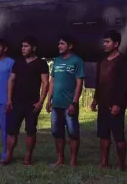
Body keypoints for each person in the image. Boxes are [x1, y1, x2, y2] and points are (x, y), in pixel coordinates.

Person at [0, 36, 49, 166]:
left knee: (31, 131)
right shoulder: (18, 62)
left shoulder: (41, 63)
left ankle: (28, 157)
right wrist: (9, 99)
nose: (23, 49)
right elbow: (11, 80)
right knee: (11, 131)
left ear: (34, 48)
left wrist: (41, 102)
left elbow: (45, 83)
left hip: (32, 104)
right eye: (22, 46)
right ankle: (8, 156)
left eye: (26, 46)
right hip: (16, 102)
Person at [91, 30, 127, 171]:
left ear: (116, 44)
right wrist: (95, 99)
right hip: (102, 103)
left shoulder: (122, 61)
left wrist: (117, 104)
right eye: (104, 42)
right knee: (103, 134)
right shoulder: (102, 61)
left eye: (108, 42)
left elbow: (123, 85)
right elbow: (99, 82)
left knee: (118, 136)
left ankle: (121, 164)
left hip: (116, 105)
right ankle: (104, 162)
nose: (105, 44)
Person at [46, 35, 85, 167]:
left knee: (73, 133)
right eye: (59, 44)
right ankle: (60, 159)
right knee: (57, 133)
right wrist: (48, 99)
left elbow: (79, 83)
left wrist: (74, 102)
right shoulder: (56, 60)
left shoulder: (77, 61)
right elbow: (52, 81)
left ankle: (73, 160)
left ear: (70, 46)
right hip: (56, 105)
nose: (59, 46)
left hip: (69, 105)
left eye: (62, 44)